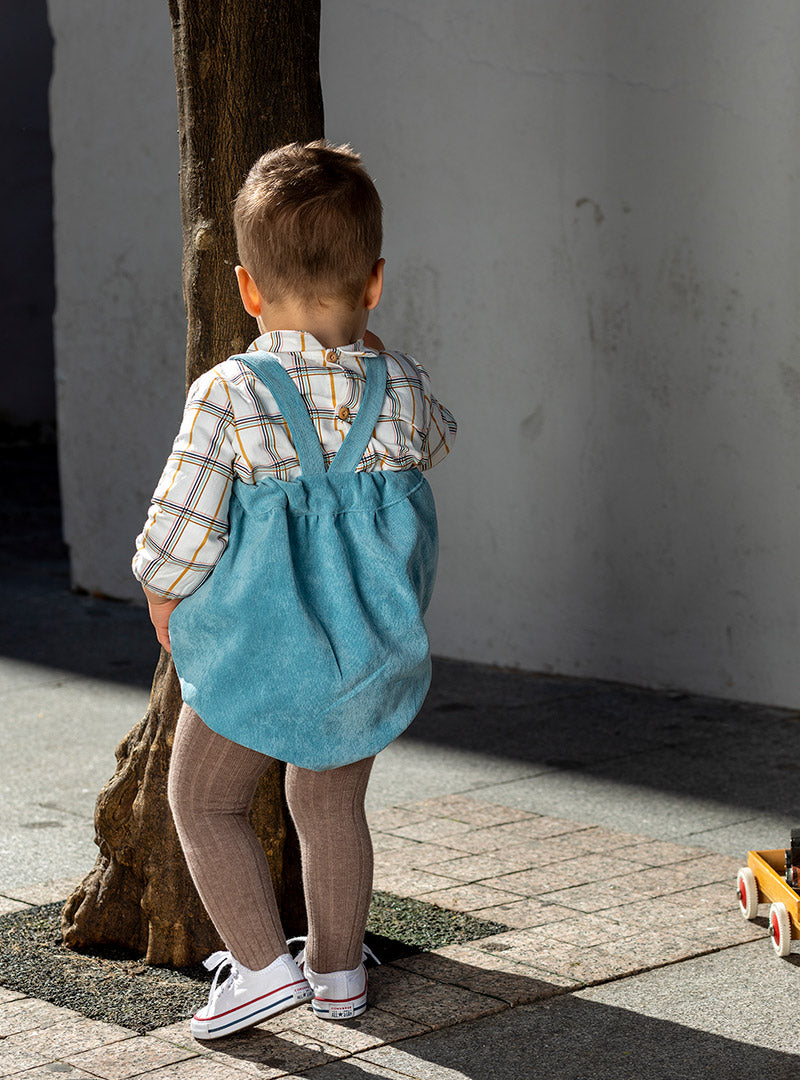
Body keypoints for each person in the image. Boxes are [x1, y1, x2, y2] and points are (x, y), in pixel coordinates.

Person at [132, 141, 456, 1041]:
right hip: (363, 648)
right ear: (376, 281)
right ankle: (339, 973)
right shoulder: (402, 386)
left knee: (203, 801)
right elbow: (436, 442)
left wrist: (162, 597)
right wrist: (381, 367)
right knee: (328, 803)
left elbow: (181, 525)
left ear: (245, 288)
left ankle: (263, 971)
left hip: (257, 646)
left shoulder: (231, 392)